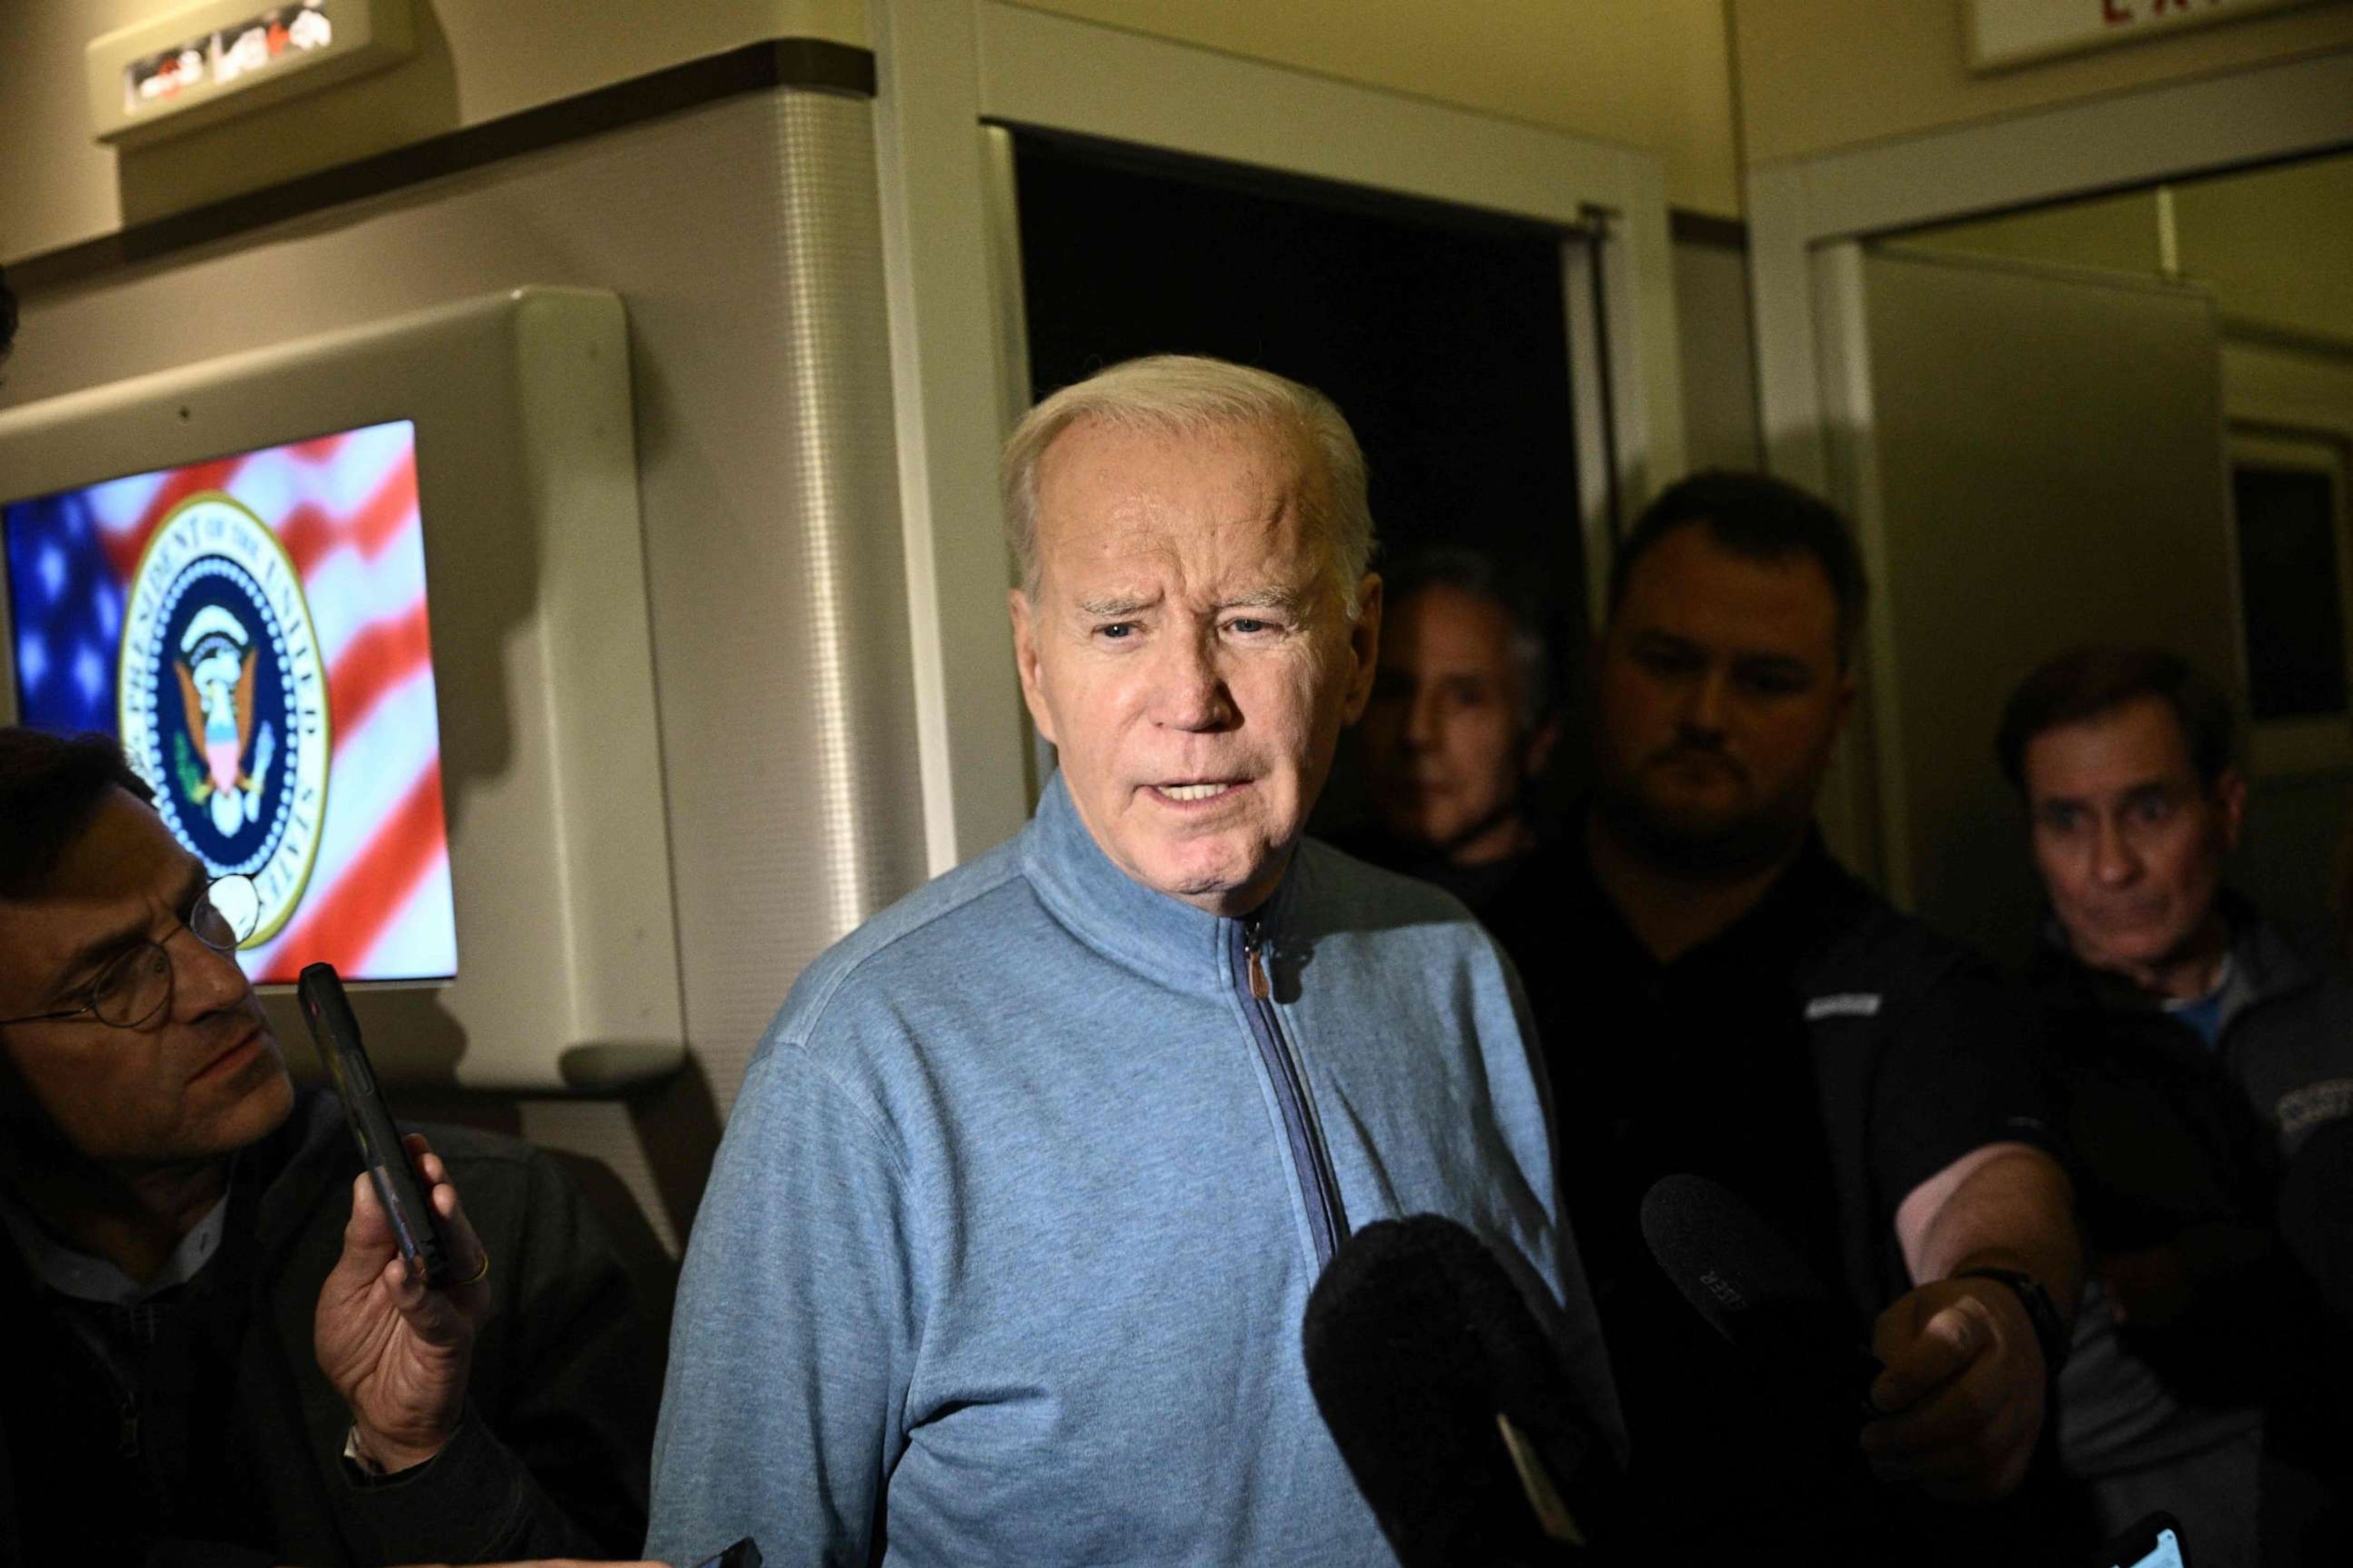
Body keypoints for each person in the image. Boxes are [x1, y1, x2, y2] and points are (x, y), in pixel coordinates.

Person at [644, 355, 1611, 1567]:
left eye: (1254, 620)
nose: (1190, 696)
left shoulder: (1451, 967)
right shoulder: (863, 1060)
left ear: (1359, 648)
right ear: (1035, 662)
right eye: (1119, 626)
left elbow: (1572, 1461)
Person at [1485, 470, 2083, 1559]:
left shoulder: (1914, 985)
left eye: (1766, 679)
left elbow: (1988, 1185)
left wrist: (1993, 1317)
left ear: (1839, 707)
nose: (1706, 715)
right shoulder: (1459, 952)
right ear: (1601, 656)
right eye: (1668, 662)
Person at [0, 727, 663, 1567]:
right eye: (114, 979)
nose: (224, 983)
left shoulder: (498, 1225)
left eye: (196, 913)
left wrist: (423, 1452)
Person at [1996, 645, 2353, 1563]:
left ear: (2224, 809)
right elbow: (2035, 1414)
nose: (2110, 867)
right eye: (2067, 821)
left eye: (2148, 810)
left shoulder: (2331, 995)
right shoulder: (2001, 1064)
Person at [1337, 547, 1563, 915]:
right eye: (1394, 690)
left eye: (1465, 699)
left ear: (1538, 736)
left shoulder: (1584, 914)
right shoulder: (1307, 900)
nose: (1417, 733)